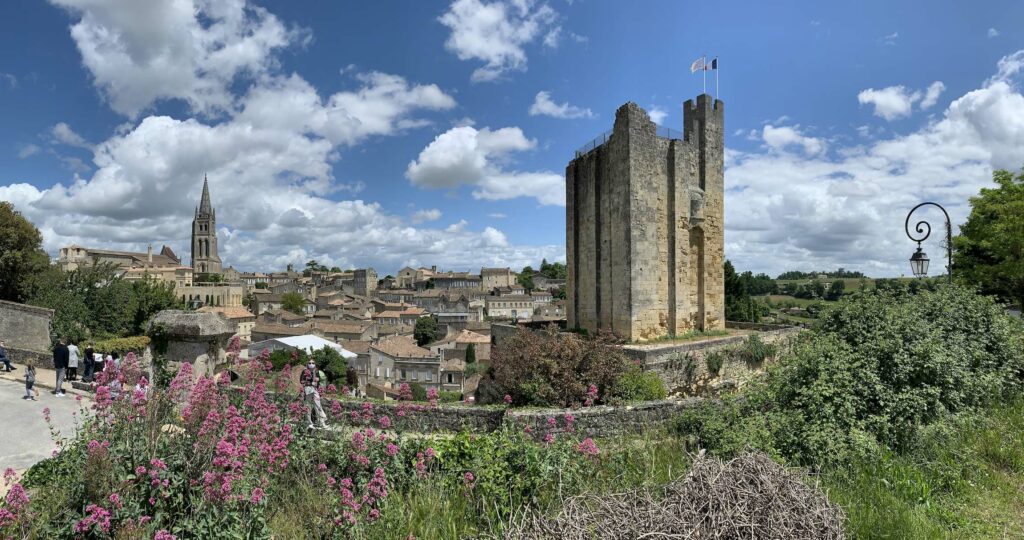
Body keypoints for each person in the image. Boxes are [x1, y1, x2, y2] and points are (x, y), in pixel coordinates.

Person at [300, 360, 327, 429]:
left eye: (313, 363)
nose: (311, 364)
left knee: (318, 405)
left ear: (315, 364)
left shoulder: (316, 371)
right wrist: (310, 383)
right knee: (308, 406)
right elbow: (301, 381)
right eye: (309, 363)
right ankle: (309, 423)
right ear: (307, 364)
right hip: (308, 390)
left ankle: (321, 422)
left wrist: (317, 381)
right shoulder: (304, 371)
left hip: (315, 390)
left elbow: (318, 381)